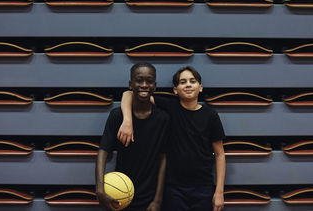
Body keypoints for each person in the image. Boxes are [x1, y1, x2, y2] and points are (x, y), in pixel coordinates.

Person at [118, 66, 226, 211]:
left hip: (203, 187)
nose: (188, 84)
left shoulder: (211, 115)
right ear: (175, 90)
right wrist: (127, 120)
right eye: (182, 82)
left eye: (192, 81)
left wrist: (219, 192)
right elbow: (128, 94)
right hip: (174, 188)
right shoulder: (170, 106)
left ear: (200, 87)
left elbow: (219, 154)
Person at [96, 63, 170, 211]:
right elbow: (103, 151)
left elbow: (163, 158)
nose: (144, 85)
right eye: (139, 80)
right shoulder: (117, 116)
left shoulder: (163, 118)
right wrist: (99, 189)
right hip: (118, 194)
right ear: (130, 84)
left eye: (149, 81)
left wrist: (158, 199)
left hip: (149, 196)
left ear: (154, 86)